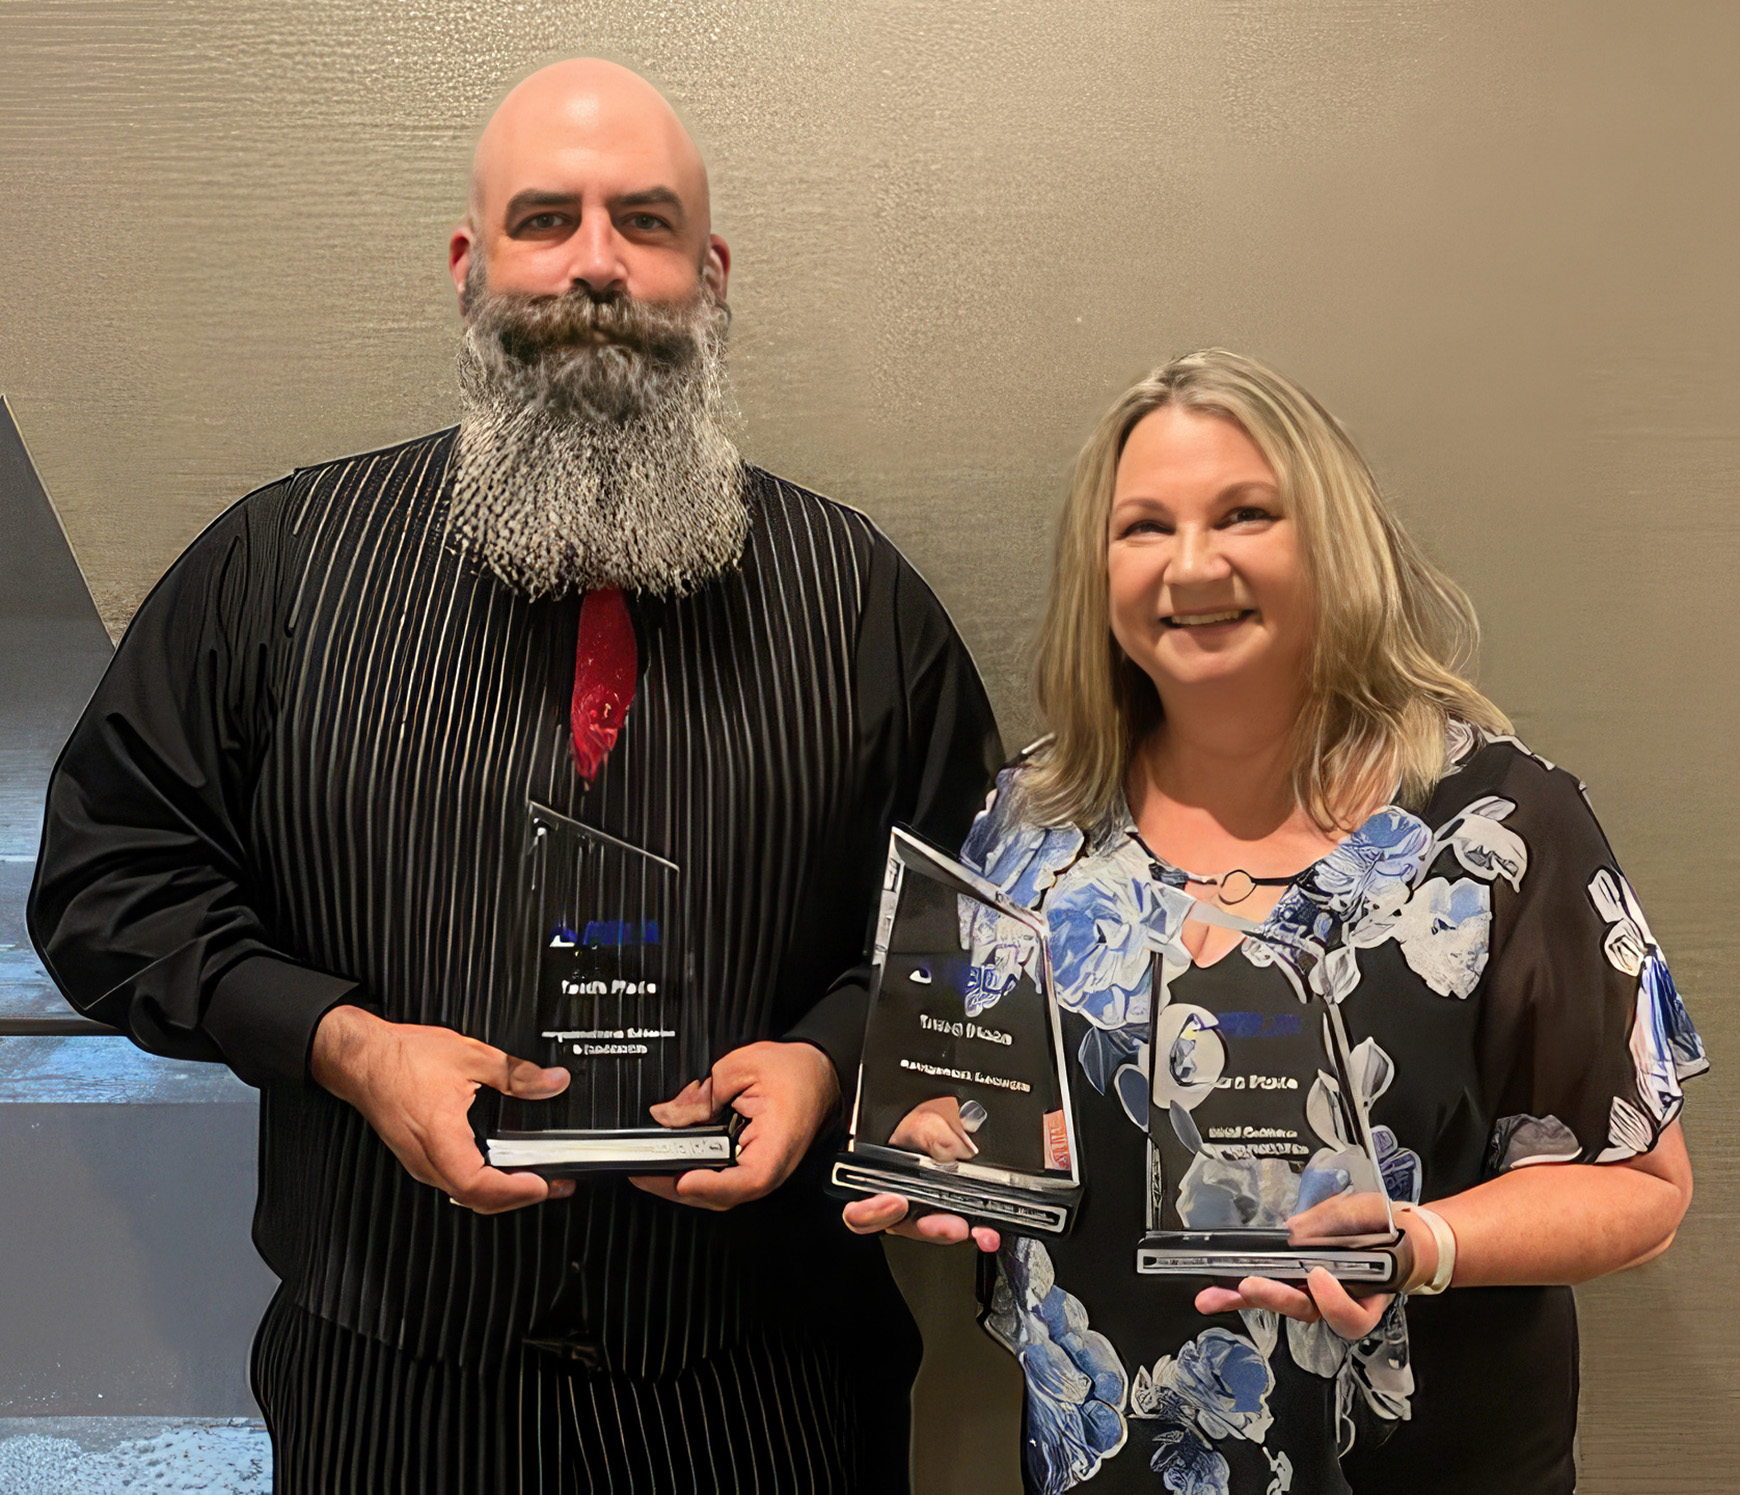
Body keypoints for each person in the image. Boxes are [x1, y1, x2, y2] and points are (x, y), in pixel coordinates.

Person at [28, 59, 999, 1492]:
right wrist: (345, 1043)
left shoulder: (856, 599)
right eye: (546, 219)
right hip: (391, 1386)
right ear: (470, 266)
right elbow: (109, 882)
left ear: (709, 273)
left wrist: (829, 1054)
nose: (594, 264)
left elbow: (971, 927)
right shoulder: (281, 566)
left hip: (767, 1391)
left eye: (645, 222)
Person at [845, 348, 1703, 1494]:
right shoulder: (1028, 824)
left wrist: (1422, 1246)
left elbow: (1643, 1187)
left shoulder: (1498, 828)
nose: (1191, 565)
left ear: (1332, 543)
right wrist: (936, 1164)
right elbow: (967, 1120)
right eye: (1142, 527)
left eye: (1245, 514)